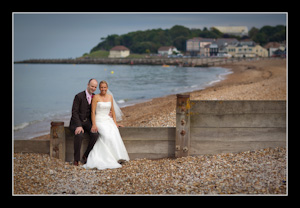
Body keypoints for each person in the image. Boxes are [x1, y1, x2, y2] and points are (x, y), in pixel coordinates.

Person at [83, 80, 129, 170]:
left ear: (107, 88)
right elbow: (92, 112)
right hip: (99, 120)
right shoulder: (96, 97)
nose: (103, 89)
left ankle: (117, 157)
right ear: (99, 88)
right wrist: (94, 124)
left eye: (105, 87)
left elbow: (113, 111)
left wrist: (115, 123)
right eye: (101, 87)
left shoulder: (110, 97)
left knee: (114, 132)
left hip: (108, 120)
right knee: (106, 135)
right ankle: (106, 158)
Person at [69, 79, 111, 166]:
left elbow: (97, 110)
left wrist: (108, 113)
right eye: (92, 86)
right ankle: (76, 160)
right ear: (88, 85)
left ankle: (86, 155)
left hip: (87, 122)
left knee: (95, 134)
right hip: (77, 123)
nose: (93, 88)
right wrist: (79, 125)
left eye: (95, 87)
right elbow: (74, 112)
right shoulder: (79, 96)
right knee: (79, 135)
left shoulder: (95, 97)